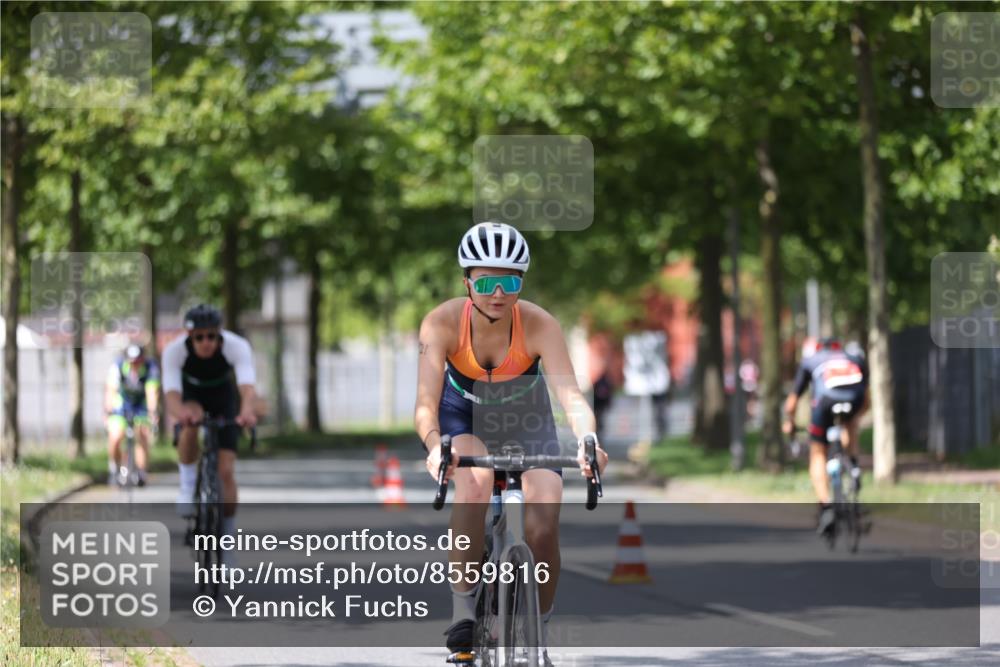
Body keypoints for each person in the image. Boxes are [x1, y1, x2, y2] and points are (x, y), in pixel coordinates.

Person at [414, 221, 609, 664]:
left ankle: (540, 631)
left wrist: (588, 439)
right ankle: (463, 613)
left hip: (527, 420)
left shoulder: (540, 324)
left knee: (543, 519)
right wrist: (434, 445)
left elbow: (571, 397)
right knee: (475, 483)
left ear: (522, 282)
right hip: (462, 416)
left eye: (510, 282)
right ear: (467, 282)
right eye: (486, 282)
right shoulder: (440, 323)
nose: (498, 293)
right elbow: (424, 403)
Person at [162, 305, 258, 537]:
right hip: (192, 396)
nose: (206, 342)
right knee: (190, 422)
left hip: (223, 398)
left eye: (212, 336)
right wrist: (181, 414)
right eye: (199, 337)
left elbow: (247, 387)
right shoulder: (174, 351)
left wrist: (246, 412)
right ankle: (187, 487)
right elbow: (172, 395)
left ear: (219, 334)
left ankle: (227, 539)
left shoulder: (237, 346)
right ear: (189, 336)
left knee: (225, 471)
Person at [782, 336, 869, 535]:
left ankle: (826, 505)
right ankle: (853, 466)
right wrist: (855, 419)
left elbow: (792, 403)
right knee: (850, 424)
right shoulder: (853, 357)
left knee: (818, 452)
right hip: (854, 399)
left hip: (825, 402)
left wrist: (790, 423)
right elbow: (866, 399)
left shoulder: (810, 361)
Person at [105, 344, 160, 486]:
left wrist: (152, 412)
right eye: (132, 362)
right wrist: (108, 411)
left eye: (138, 361)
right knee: (115, 436)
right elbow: (111, 391)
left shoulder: (150, 367)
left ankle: (141, 472)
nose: (135, 365)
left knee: (142, 434)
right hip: (121, 404)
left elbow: (151, 392)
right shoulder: (117, 366)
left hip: (141, 405)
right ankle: (115, 468)